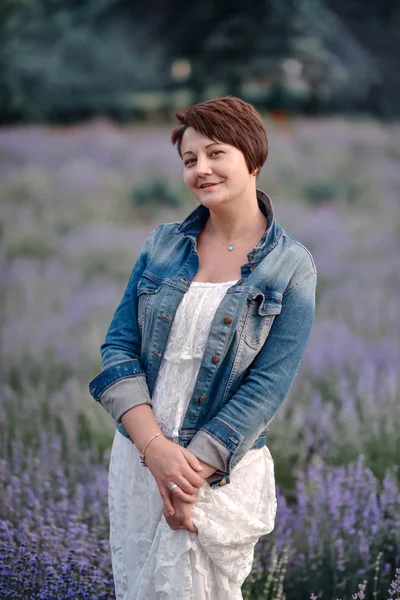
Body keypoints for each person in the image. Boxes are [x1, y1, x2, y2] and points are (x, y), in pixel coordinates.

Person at [88, 96, 317, 599]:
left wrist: (186, 475)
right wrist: (155, 452)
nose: (202, 169)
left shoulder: (291, 267)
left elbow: (267, 387)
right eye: (190, 160)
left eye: (216, 153)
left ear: (252, 157)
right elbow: (118, 347)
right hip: (140, 461)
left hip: (215, 475)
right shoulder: (162, 244)